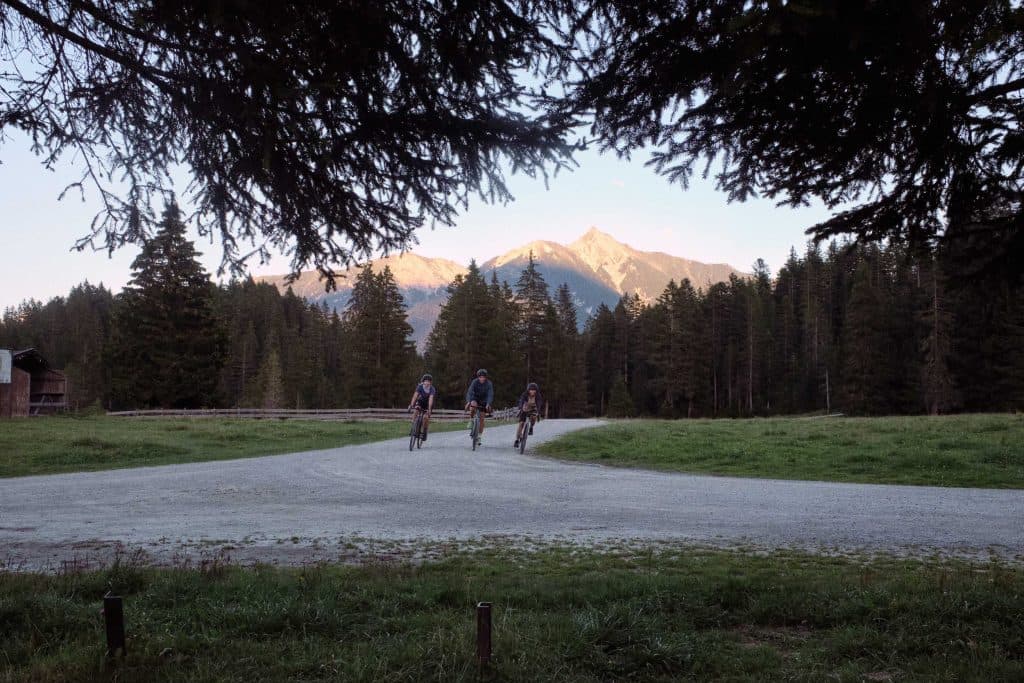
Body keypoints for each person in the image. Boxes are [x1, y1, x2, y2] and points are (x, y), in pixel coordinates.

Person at [464, 368, 494, 441]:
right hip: (475, 398)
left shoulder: (489, 384)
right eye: (480, 377)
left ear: (486, 377)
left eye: (483, 377)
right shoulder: (474, 382)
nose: (482, 378)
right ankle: (471, 420)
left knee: (482, 419)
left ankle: (479, 436)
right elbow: (470, 391)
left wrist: (488, 403)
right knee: (473, 405)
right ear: (478, 377)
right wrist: (469, 401)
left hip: (484, 400)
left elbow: (490, 394)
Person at [514, 382, 543, 448]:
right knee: (521, 424)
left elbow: (539, 404)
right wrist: (520, 408)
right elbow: (521, 401)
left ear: (536, 391)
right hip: (525, 409)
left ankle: (531, 427)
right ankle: (517, 440)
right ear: (528, 390)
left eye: (534, 390)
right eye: (531, 390)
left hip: (533, 409)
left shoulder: (538, 396)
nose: (532, 391)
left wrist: (538, 412)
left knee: (533, 417)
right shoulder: (525, 394)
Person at [408, 373, 436, 441]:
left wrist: (429, 409)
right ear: (423, 381)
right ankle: (413, 427)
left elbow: (430, 399)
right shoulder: (420, 387)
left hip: (428, 404)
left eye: (428, 381)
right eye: (425, 381)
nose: (427, 383)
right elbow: (415, 396)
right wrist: (411, 405)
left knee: (425, 417)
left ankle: (424, 432)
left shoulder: (432, 389)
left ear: (430, 382)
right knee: (416, 410)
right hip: (420, 402)